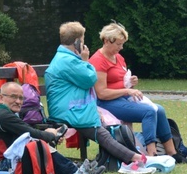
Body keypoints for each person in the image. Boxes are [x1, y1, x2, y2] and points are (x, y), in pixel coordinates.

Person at [46, 21, 151, 166]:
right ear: (77, 42)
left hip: (69, 107)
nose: (84, 44)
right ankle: (134, 157)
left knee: (102, 130)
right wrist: (85, 60)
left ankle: (130, 156)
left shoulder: (65, 58)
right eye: (82, 40)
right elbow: (90, 79)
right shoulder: (68, 60)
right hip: (68, 110)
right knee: (100, 131)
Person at [0, 81, 103, 174]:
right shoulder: (3, 116)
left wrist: (48, 135)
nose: (18, 101)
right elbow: (31, 132)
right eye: (13, 97)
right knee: (37, 147)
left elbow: (27, 133)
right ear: (1, 98)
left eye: (21, 98)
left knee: (36, 146)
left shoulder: (2, 114)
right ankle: (75, 173)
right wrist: (51, 135)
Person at [89, 22, 180, 158]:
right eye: (118, 44)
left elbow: (120, 81)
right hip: (106, 103)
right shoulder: (98, 61)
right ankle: (151, 154)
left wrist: (130, 83)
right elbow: (101, 93)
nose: (121, 47)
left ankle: (173, 153)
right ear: (107, 41)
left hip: (122, 98)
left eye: (122, 44)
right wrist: (127, 91)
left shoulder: (118, 57)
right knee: (149, 111)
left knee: (159, 110)